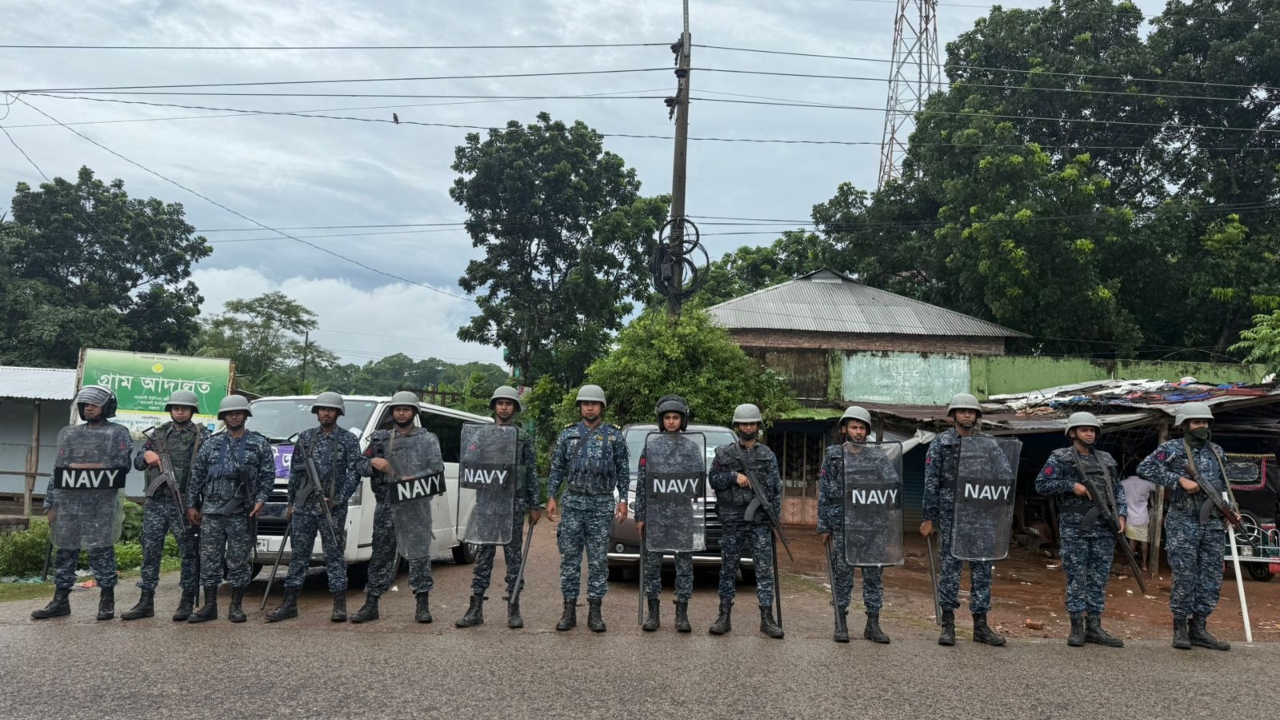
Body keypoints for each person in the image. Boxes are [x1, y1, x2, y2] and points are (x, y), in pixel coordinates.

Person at [1138, 402, 1235, 651]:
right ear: (1185, 426)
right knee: (1185, 575)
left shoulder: (1217, 451)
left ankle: (1200, 627)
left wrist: (1231, 509)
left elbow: (1224, 483)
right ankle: (1180, 626)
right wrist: (1178, 480)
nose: (1201, 426)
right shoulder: (1171, 449)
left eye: (1204, 422)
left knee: (1211, 577)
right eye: (1196, 422)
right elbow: (1144, 467)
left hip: (1212, 524)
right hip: (1184, 522)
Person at [31, 385, 132, 621]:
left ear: (106, 407)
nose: (89, 408)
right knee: (64, 552)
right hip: (69, 503)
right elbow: (58, 470)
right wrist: (51, 504)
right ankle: (60, 600)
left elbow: (121, 465)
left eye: (94, 405)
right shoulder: (71, 434)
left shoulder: (118, 433)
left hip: (100, 504)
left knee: (101, 550)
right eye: (85, 405)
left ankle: (107, 600)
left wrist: (82, 467)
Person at [350, 391, 445, 624]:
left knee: (419, 556)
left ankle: (422, 606)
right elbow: (358, 465)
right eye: (397, 409)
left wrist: (415, 477)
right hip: (387, 506)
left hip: (415, 507)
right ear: (392, 412)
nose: (401, 413)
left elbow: (436, 468)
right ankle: (371, 604)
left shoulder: (426, 439)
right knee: (381, 556)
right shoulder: (380, 439)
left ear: (414, 412)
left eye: (406, 409)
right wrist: (374, 462)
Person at [267, 392, 362, 623]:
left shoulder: (348, 440)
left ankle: (339, 604)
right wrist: (291, 503)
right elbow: (295, 474)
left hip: (331, 509)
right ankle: (290, 603)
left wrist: (337, 499)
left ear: (338, 413)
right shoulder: (306, 438)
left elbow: (354, 473)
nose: (326, 413)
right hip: (303, 507)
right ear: (316, 412)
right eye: (322, 409)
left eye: (330, 410)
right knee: (299, 555)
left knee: (334, 556)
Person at [1034, 412, 1127, 647]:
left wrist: (1122, 514)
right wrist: (1070, 485)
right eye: (1084, 430)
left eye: (1093, 430)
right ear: (1072, 433)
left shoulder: (1106, 459)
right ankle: (1076, 626)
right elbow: (1041, 484)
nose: (1089, 433)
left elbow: (1117, 490)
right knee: (1076, 577)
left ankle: (1094, 626)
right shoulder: (1061, 458)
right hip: (1075, 528)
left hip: (1104, 527)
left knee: (1098, 578)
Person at [921, 393, 1006, 646]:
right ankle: (948, 625)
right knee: (950, 571)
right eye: (962, 411)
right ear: (954, 415)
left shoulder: (989, 444)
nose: (967, 415)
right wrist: (928, 517)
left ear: (977, 416)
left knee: (982, 571)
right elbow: (931, 482)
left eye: (972, 412)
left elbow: (1004, 474)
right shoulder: (940, 443)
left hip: (982, 516)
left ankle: (981, 626)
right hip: (951, 517)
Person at [456, 386, 542, 629]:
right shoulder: (481, 435)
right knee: (484, 556)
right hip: (487, 501)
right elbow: (469, 461)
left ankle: (513, 607)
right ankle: (476, 608)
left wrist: (535, 504)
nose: (504, 407)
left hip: (513, 504)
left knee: (514, 558)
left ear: (515, 408)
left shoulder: (523, 437)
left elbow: (532, 471)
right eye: (500, 403)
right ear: (494, 406)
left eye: (509, 403)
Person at [546, 384, 629, 633]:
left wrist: (623, 499)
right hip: (573, 503)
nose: (589, 407)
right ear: (580, 407)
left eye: (594, 403)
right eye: (585, 403)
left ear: (601, 407)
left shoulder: (614, 436)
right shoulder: (568, 435)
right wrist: (551, 496)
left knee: (598, 561)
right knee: (570, 559)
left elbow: (623, 470)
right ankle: (569, 610)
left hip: (601, 504)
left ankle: (595, 611)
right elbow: (557, 468)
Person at [122, 390, 210, 621]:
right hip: (156, 503)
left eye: (184, 408)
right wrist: (147, 456)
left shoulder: (202, 436)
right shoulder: (158, 434)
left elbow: (206, 472)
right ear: (170, 410)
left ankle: (187, 600)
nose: (179, 411)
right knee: (150, 551)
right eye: (175, 407)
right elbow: (138, 462)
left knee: (189, 554)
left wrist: (195, 503)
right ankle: (145, 601)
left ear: (192, 410)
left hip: (185, 503)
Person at [185, 394, 274, 623]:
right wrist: (192, 505)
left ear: (245, 415)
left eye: (238, 412)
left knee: (238, 561)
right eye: (229, 413)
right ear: (223, 417)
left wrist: (261, 500)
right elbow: (197, 476)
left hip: (241, 512)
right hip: (212, 512)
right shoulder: (211, 443)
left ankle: (236, 606)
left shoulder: (259, 443)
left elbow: (267, 476)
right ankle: (210, 606)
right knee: (210, 560)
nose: (234, 416)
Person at [817, 405, 895, 644]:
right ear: (844, 429)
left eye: (862, 428)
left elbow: (892, 485)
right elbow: (825, 492)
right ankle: (841, 624)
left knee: (873, 578)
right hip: (844, 527)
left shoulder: (877, 455)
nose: (858, 432)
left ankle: (873, 624)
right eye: (854, 427)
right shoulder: (833, 455)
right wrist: (824, 526)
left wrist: (887, 520)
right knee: (842, 578)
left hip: (873, 528)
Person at [708, 403, 785, 639]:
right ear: (737, 426)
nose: (748, 427)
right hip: (732, 520)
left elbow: (775, 489)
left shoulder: (767, 455)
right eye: (744, 423)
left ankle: (766, 618)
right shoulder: (724, 454)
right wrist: (734, 476)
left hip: (760, 521)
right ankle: (724, 616)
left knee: (763, 569)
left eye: (752, 423)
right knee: (728, 568)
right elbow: (713, 479)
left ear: (758, 427)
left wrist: (775, 520)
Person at [635, 395, 703, 633]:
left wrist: (697, 519)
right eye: (667, 418)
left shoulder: (692, 447)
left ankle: (682, 615)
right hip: (656, 517)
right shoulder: (651, 446)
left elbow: (698, 485)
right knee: (652, 566)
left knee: (684, 566)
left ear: (682, 420)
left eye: (675, 417)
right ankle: (653, 614)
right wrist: (640, 516)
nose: (671, 422)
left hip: (683, 517)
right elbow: (643, 484)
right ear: (661, 420)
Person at [1119, 472, 1157, 572]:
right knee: (1144, 541)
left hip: (1130, 517)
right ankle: (1144, 565)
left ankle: (1131, 564)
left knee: (1132, 542)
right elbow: (1159, 488)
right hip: (1143, 517)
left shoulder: (1123, 483)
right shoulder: (1146, 483)